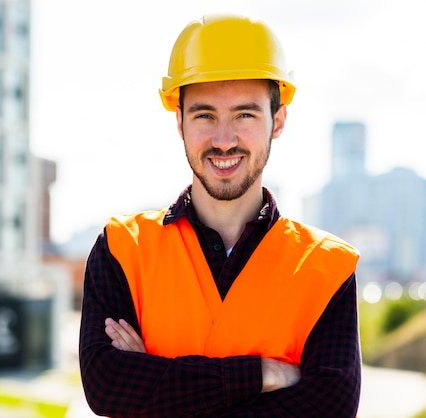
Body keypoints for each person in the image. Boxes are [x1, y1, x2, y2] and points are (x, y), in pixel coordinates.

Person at [79, 13, 361, 417]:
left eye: (245, 115)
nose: (224, 140)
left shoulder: (326, 267)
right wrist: (259, 375)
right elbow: (107, 385)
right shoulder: (123, 248)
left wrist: (156, 391)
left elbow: (330, 407)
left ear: (277, 122)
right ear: (179, 121)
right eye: (204, 115)